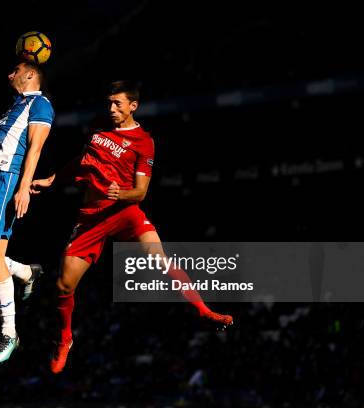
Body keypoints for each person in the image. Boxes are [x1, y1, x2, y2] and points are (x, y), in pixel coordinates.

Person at [31, 80, 233, 374]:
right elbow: (83, 162)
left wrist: (120, 194)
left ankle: (204, 310)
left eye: (118, 104)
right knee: (63, 284)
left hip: (125, 211)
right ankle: (64, 339)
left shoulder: (144, 142)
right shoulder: (99, 126)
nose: (112, 108)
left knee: (160, 261)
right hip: (91, 216)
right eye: (110, 103)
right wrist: (52, 179)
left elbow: (140, 192)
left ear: (132, 106)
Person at [0, 60, 54, 363]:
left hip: (4, 178)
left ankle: (10, 332)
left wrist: (22, 187)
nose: (9, 74)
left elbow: (34, 148)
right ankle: (26, 271)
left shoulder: (41, 104)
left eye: (16, 70)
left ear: (31, 74)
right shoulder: (14, 105)